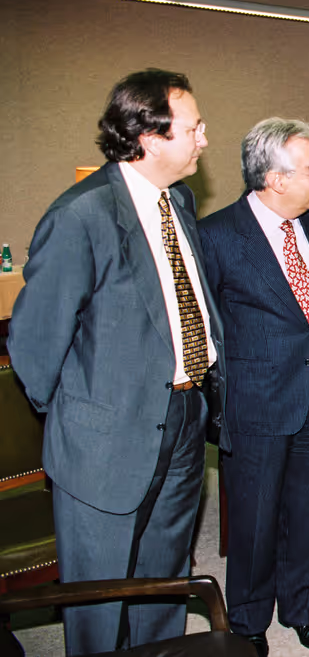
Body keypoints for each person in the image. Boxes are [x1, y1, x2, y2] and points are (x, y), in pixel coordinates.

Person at [8, 69, 224, 655]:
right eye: (194, 127)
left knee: (162, 580)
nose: (204, 139)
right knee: (100, 600)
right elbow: (33, 345)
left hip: (182, 419)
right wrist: (86, 420)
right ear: (150, 138)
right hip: (104, 441)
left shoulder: (176, 199)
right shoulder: (82, 215)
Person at [198, 118, 309, 656]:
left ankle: (302, 607)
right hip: (255, 400)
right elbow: (205, 328)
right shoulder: (217, 235)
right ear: (276, 179)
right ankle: (250, 619)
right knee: (255, 517)